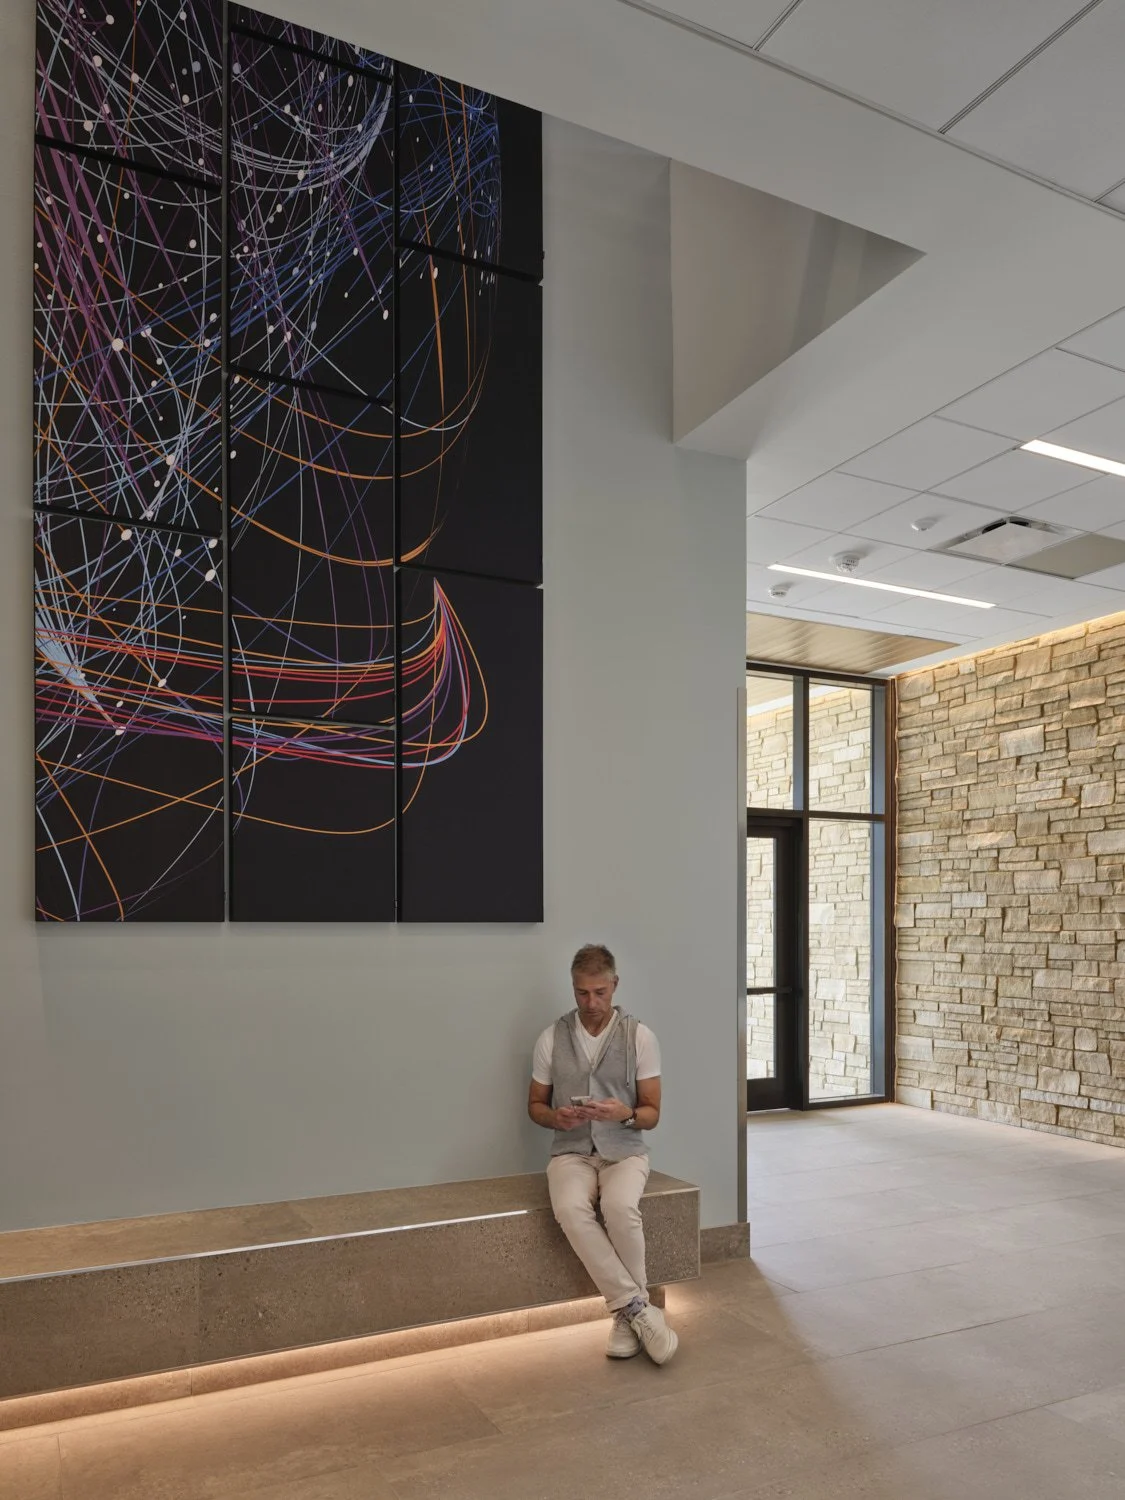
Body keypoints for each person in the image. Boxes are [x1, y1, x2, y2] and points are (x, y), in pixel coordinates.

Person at [528, 943, 678, 1365]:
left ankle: (625, 1315)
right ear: (572, 989)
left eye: (599, 992)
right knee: (570, 1209)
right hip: (571, 1153)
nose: (590, 1003)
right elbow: (534, 1106)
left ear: (615, 985)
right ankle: (637, 1308)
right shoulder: (551, 1038)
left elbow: (652, 1114)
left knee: (619, 1206)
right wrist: (556, 1119)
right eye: (581, 993)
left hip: (625, 1152)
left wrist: (625, 1112)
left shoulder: (640, 1036)